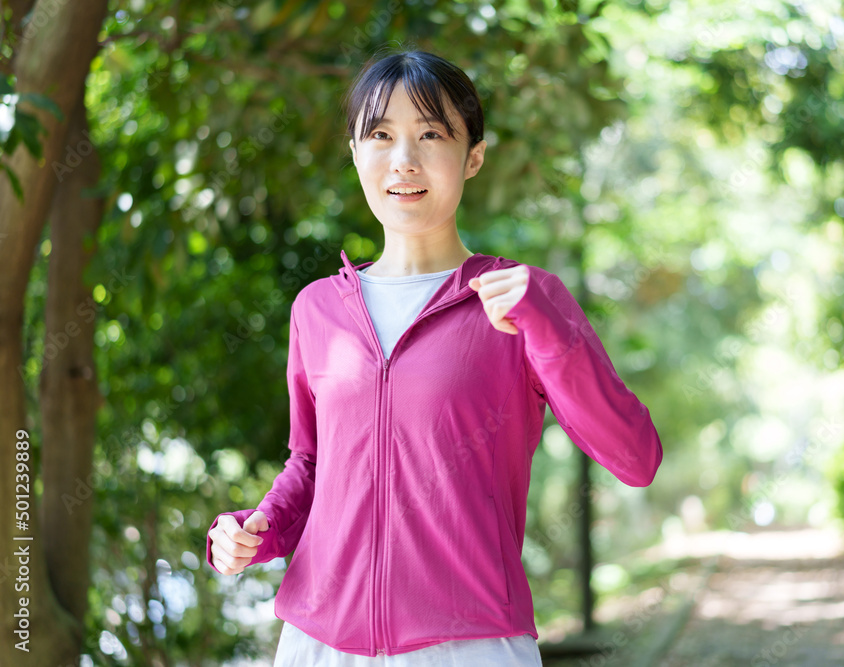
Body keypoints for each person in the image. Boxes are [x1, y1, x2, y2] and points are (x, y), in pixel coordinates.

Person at [205, 49, 663, 666]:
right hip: (317, 644)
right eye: (381, 135)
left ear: (473, 155)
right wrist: (253, 532)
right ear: (355, 153)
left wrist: (548, 334)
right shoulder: (317, 309)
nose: (404, 160)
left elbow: (635, 457)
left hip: (470, 644)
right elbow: (313, 465)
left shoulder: (524, 298)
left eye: (430, 134)